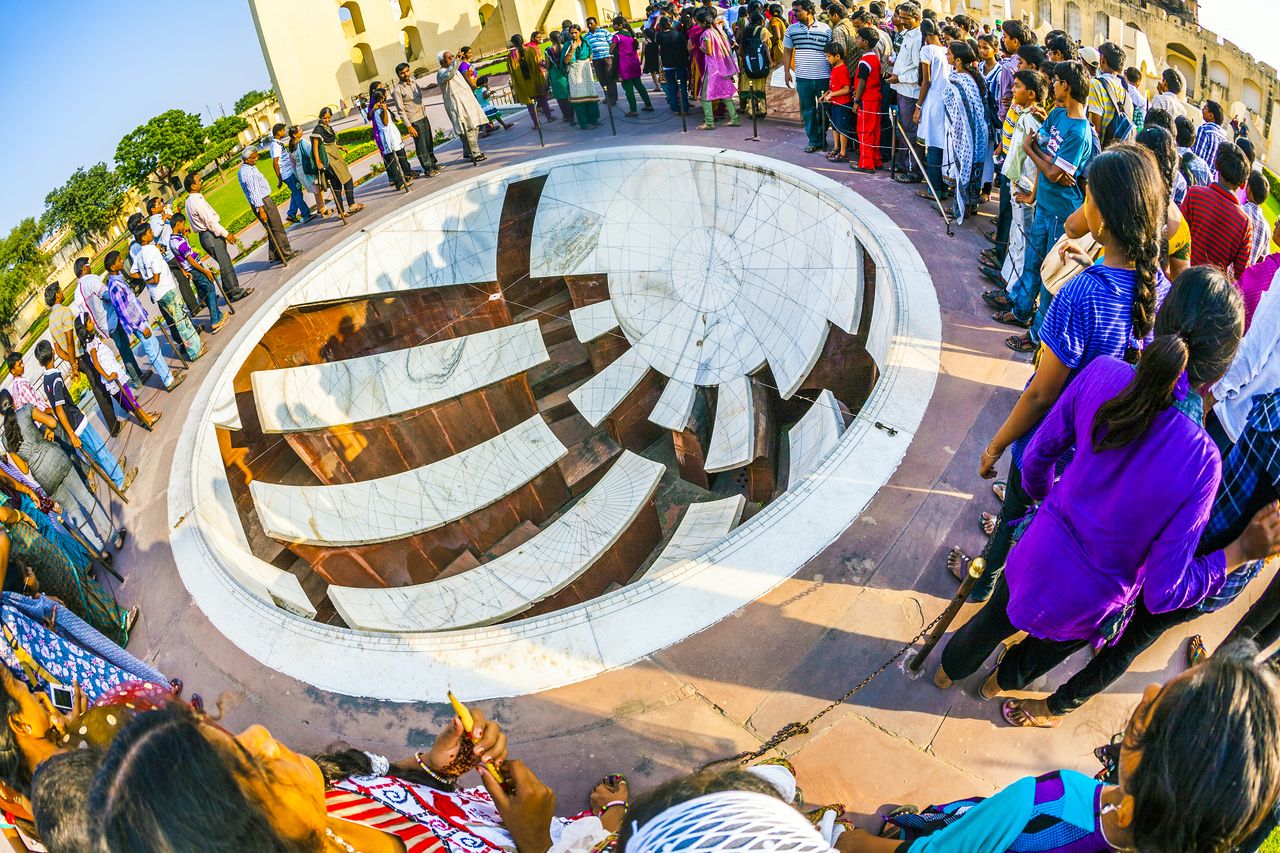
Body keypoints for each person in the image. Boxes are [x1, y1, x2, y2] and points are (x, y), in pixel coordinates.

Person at [936, 268, 1260, 721]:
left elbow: (1034, 462)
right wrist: (1237, 553)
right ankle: (993, 687)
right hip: (1091, 602)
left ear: (1162, 318)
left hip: (1036, 553)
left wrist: (1047, 506)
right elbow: (1165, 592)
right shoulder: (1203, 462)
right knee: (1034, 659)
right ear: (1222, 368)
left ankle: (945, 676)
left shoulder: (1103, 375)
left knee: (991, 620)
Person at [958, 145, 1167, 600]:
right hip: (1097, 452)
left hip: (1052, 444)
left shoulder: (1081, 296)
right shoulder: (1160, 289)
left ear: (1105, 220)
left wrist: (996, 445)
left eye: (1087, 197)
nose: (1081, 205)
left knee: (1018, 503)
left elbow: (1041, 396)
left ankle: (984, 585)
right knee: (1046, 518)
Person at [848, 644, 1280, 852]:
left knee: (869, 828)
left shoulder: (1050, 807)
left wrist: (845, 841)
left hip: (946, 839)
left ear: (1134, 807)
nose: (1149, 690)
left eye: (1157, 709)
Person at [1004, 60, 1097, 353]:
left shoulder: (1080, 131)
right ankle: (1021, 310)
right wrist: (1042, 166)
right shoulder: (1057, 114)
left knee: (1050, 274)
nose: (1052, 85)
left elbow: (1055, 172)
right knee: (1032, 260)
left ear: (1066, 86)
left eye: (1056, 81)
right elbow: (1048, 158)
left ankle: (1036, 335)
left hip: (1061, 212)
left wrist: (1031, 151)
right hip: (1044, 202)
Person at [0, 486, 138, 646]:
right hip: (33, 551)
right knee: (75, 585)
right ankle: (118, 625)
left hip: (27, 559)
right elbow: (3, 515)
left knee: (69, 597)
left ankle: (111, 635)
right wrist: (20, 514)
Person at [35, 340, 135, 497]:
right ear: (53, 353)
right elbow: (59, 410)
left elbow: (55, 408)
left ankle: (114, 469)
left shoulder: (46, 380)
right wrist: (72, 434)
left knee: (97, 451)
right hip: (76, 423)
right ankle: (120, 480)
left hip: (73, 424)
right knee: (99, 449)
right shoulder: (55, 378)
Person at [982, 70, 1044, 299]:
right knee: (1016, 236)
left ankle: (1013, 290)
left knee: (1022, 238)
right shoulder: (1024, 114)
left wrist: (1028, 190)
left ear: (1031, 93)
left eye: (1017, 86)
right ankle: (1007, 277)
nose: (1012, 90)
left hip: (1024, 184)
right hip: (1016, 181)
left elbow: (1033, 158)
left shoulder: (1032, 120)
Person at [103, 251, 181, 391]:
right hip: (138, 324)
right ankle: (168, 380)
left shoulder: (118, 280)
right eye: (119, 260)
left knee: (154, 346)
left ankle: (167, 374)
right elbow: (125, 311)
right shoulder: (115, 287)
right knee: (152, 349)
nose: (122, 262)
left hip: (140, 320)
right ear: (113, 267)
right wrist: (139, 326)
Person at [1181, 142, 1254, 282]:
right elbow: (1241, 274)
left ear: (1216, 166)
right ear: (1243, 184)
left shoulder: (1195, 194)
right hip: (1212, 289)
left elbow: (1177, 235)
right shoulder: (1245, 224)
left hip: (1182, 277)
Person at [71, 259, 146, 391]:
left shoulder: (77, 293)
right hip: (111, 318)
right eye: (88, 265)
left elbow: (85, 316)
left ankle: (136, 374)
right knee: (124, 347)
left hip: (101, 326)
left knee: (123, 347)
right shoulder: (91, 279)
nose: (90, 267)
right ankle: (136, 378)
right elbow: (107, 295)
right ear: (84, 268)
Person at [131, 224, 202, 361]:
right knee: (182, 320)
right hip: (166, 289)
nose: (152, 233)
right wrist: (150, 279)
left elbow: (133, 273)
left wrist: (145, 279)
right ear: (144, 237)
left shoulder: (140, 254)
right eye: (150, 231)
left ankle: (192, 348)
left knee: (177, 320)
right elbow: (156, 276)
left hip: (158, 294)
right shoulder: (152, 250)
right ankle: (195, 351)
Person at [182, 173, 254, 304]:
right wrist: (227, 235)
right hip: (210, 235)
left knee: (223, 262)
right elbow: (210, 222)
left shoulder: (190, 200)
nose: (201, 181)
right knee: (225, 262)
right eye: (199, 180)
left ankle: (229, 291)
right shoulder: (196, 201)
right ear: (192, 186)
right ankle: (235, 292)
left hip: (205, 236)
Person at [77, 316, 158, 432]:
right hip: (112, 376)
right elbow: (95, 363)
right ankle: (146, 418)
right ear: (84, 327)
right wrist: (107, 376)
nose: (92, 322)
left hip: (114, 372)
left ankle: (143, 416)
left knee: (129, 398)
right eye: (89, 321)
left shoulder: (92, 339)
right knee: (129, 399)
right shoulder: (90, 344)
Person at [941, 40, 988, 221]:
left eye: (950, 54)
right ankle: (969, 206)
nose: (947, 57)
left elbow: (956, 106)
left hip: (963, 132)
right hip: (977, 132)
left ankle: (958, 208)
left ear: (958, 60)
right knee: (971, 166)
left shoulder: (959, 80)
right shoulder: (973, 77)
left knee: (963, 166)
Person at [783, 0, 833, 154]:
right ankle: (813, 140)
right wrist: (787, 72)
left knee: (824, 109)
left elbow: (831, 53)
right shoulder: (791, 29)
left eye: (798, 11)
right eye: (794, 11)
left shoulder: (826, 29)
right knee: (808, 110)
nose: (795, 14)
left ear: (809, 11)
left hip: (823, 77)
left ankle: (821, 137)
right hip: (803, 78)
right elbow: (787, 51)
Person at [169, 213, 227, 334]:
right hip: (195, 268)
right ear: (178, 224)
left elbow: (178, 257)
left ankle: (218, 314)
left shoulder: (172, 240)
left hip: (189, 270)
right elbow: (190, 259)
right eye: (183, 224)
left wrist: (183, 270)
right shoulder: (180, 242)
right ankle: (215, 320)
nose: (184, 226)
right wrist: (205, 271)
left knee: (203, 291)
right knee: (210, 288)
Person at [237, 147, 297, 265]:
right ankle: (286, 253)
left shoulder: (248, 168)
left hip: (263, 201)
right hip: (262, 202)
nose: (257, 159)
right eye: (254, 157)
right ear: (247, 159)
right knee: (276, 227)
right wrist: (261, 209)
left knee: (272, 228)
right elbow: (254, 191)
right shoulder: (247, 172)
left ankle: (274, 255)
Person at [888, 2, 924, 180]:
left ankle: (914, 171)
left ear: (916, 18)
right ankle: (904, 164)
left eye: (905, 18)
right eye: (900, 17)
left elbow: (920, 73)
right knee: (902, 130)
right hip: (901, 90)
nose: (901, 20)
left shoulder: (918, 38)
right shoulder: (907, 35)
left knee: (910, 132)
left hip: (911, 93)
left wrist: (899, 78)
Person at [914, 20, 950, 197]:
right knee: (942, 144)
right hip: (946, 102)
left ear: (926, 34)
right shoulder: (946, 50)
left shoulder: (927, 50)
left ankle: (934, 189)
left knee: (933, 145)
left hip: (933, 100)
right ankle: (942, 188)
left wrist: (918, 106)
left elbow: (926, 81)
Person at [308, 107, 364, 217]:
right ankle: (351, 204)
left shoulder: (327, 127)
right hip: (328, 158)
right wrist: (318, 161)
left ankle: (341, 212)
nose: (327, 120)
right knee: (347, 178)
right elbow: (315, 147)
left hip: (335, 154)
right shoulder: (318, 129)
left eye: (329, 117)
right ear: (321, 117)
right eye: (325, 118)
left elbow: (331, 143)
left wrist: (340, 147)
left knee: (336, 184)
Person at [391, 62, 443, 177]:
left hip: (423, 115)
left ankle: (433, 163)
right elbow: (400, 110)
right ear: (398, 75)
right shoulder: (398, 90)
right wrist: (409, 126)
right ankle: (428, 169)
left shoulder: (414, 83)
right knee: (421, 145)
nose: (405, 74)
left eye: (407, 71)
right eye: (402, 73)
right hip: (414, 120)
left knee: (428, 142)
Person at [437, 51, 488, 163]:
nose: (453, 59)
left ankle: (467, 151)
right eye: (449, 58)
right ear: (442, 62)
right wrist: (456, 61)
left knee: (474, 125)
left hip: (467, 102)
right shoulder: (441, 73)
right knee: (466, 128)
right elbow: (448, 75)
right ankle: (475, 153)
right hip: (456, 105)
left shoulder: (454, 69)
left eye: (452, 57)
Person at [1085, 41, 1132, 146]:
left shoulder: (1096, 84)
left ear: (1102, 60)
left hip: (1101, 151)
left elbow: (1095, 128)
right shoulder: (1126, 93)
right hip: (1116, 152)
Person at [850, 26, 884, 172]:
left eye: (858, 38)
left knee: (864, 132)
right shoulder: (874, 57)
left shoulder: (864, 61)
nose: (856, 40)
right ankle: (876, 160)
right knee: (874, 130)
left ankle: (866, 163)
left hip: (866, 100)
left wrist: (856, 101)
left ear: (864, 42)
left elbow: (862, 82)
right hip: (875, 98)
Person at [698, 12, 740, 129]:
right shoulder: (718, 30)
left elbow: (709, 51)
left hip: (713, 68)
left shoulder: (707, 33)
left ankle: (709, 122)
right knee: (726, 94)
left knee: (705, 95)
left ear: (702, 23)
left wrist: (701, 48)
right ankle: (734, 119)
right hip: (722, 66)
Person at [368, 87, 416, 189]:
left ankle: (407, 175)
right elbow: (385, 123)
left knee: (401, 155)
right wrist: (385, 110)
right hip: (388, 137)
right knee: (392, 161)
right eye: (385, 94)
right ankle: (399, 182)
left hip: (393, 135)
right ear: (382, 96)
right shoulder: (379, 111)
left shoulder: (379, 108)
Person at [269, 122, 313, 224]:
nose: (285, 132)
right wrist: (279, 178)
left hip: (288, 172)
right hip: (287, 174)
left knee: (295, 192)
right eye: (283, 130)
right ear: (278, 132)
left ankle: (291, 214)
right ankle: (306, 215)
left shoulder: (277, 143)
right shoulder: (275, 145)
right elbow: (275, 162)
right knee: (297, 193)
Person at [506, 35, 555, 126]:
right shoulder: (531, 50)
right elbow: (538, 63)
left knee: (530, 104)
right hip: (536, 80)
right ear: (523, 41)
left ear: (513, 43)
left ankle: (536, 123)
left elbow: (511, 71)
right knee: (542, 99)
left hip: (523, 83)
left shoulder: (511, 55)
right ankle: (549, 117)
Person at [613, 17, 655, 116]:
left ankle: (633, 110)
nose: (613, 26)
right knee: (639, 85)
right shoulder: (632, 34)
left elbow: (611, 50)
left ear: (620, 25)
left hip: (624, 65)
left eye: (614, 24)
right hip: (634, 63)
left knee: (628, 88)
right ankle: (648, 105)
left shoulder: (617, 37)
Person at [736, 9, 773, 117]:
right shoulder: (763, 30)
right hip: (761, 62)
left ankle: (751, 110)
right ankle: (762, 109)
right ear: (761, 21)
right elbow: (766, 47)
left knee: (750, 86)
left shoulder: (746, 30)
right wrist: (770, 62)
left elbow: (742, 47)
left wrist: (744, 62)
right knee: (761, 87)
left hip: (748, 62)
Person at [566, 27, 603, 130]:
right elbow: (565, 61)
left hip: (586, 70)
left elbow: (590, 53)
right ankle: (584, 123)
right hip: (575, 71)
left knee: (590, 94)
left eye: (575, 32)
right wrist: (573, 48)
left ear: (580, 32)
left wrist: (590, 56)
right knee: (579, 97)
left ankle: (594, 119)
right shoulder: (568, 45)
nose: (573, 35)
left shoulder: (585, 42)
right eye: (571, 33)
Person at [821, 43, 852, 159]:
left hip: (843, 104)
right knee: (835, 126)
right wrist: (826, 94)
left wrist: (832, 94)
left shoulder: (842, 69)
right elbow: (833, 87)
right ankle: (836, 147)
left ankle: (843, 152)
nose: (827, 58)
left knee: (842, 128)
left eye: (828, 56)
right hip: (835, 103)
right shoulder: (834, 68)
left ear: (837, 56)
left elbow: (846, 89)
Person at [656, 15, 692, 113]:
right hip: (680, 62)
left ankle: (675, 107)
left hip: (667, 64)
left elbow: (658, 48)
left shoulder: (659, 35)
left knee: (671, 85)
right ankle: (685, 107)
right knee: (683, 86)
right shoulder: (678, 34)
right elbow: (684, 48)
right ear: (671, 23)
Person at [44, 284, 77, 381]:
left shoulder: (51, 320)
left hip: (74, 360)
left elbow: (58, 351)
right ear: (57, 295)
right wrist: (74, 362)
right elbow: (69, 341)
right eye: (60, 290)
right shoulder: (65, 311)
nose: (62, 292)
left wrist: (72, 362)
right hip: (81, 355)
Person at [1193, 98, 1230, 181]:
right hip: (1212, 183)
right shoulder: (1224, 138)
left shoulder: (1205, 130)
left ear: (1211, 116)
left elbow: (1197, 158)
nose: (1202, 109)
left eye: (1205, 108)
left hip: (1199, 180)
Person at [584, 16, 618, 105]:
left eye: (591, 23)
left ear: (596, 23)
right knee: (602, 79)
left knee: (609, 78)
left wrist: (611, 55)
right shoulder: (586, 36)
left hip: (607, 58)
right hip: (596, 60)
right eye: (588, 24)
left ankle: (613, 98)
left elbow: (611, 44)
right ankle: (607, 97)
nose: (589, 25)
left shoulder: (604, 32)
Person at [544, 30, 575, 122]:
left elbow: (548, 65)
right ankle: (572, 115)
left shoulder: (548, 50)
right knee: (568, 94)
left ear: (550, 39)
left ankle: (567, 116)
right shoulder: (565, 47)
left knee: (561, 98)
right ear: (561, 37)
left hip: (555, 74)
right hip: (566, 73)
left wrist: (543, 64)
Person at [1244, 170, 1272, 267]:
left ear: (1248, 189)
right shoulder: (1266, 228)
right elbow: (1261, 260)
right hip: (1245, 278)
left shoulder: (1240, 210)